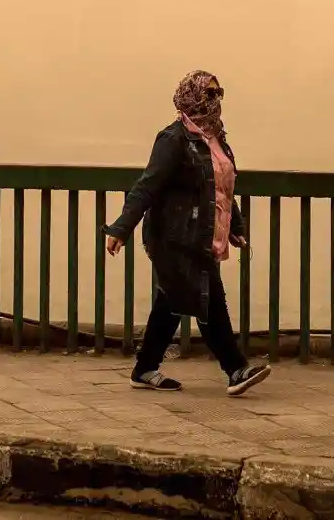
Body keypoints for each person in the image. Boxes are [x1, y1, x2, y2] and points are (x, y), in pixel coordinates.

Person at [103, 70, 271, 396]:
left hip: (202, 237)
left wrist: (235, 228)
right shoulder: (173, 139)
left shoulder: (217, 138)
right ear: (191, 96)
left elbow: (221, 189)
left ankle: (144, 368)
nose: (216, 99)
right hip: (174, 239)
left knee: (172, 303)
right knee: (208, 299)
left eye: (219, 92)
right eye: (209, 94)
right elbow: (147, 187)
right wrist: (121, 228)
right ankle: (235, 369)